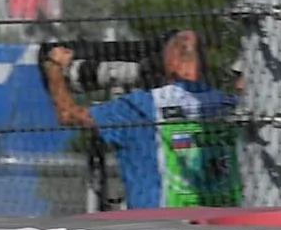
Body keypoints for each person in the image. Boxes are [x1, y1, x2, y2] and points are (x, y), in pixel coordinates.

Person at [42, 28, 230, 210]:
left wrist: (54, 68)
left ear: (170, 60)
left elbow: (68, 115)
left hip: (157, 222)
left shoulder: (142, 106)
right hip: (219, 217)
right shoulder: (228, 105)